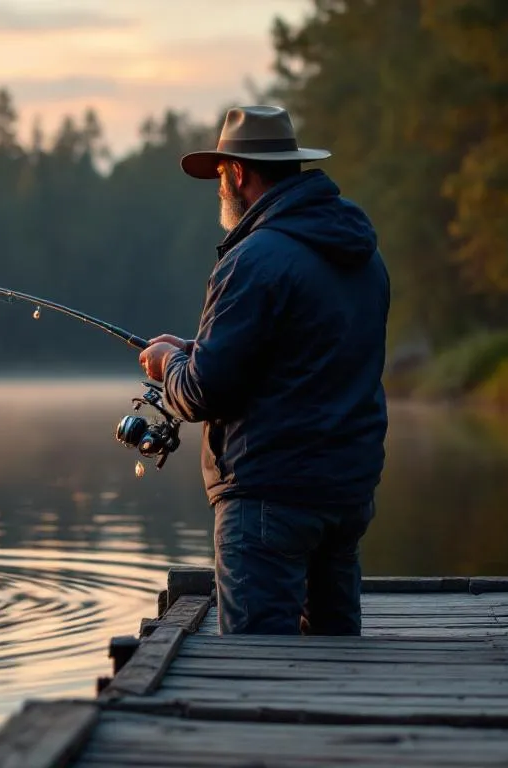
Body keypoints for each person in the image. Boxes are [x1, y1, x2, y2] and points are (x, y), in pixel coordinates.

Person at [138, 105, 390, 636]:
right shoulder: (363, 256)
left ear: (238, 172)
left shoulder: (254, 258)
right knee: (339, 658)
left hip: (268, 499)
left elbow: (202, 393)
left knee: (260, 664)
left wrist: (169, 364)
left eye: (219, 176)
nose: (218, 190)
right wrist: (194, 349)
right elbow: (306, 353)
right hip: (346, 492)